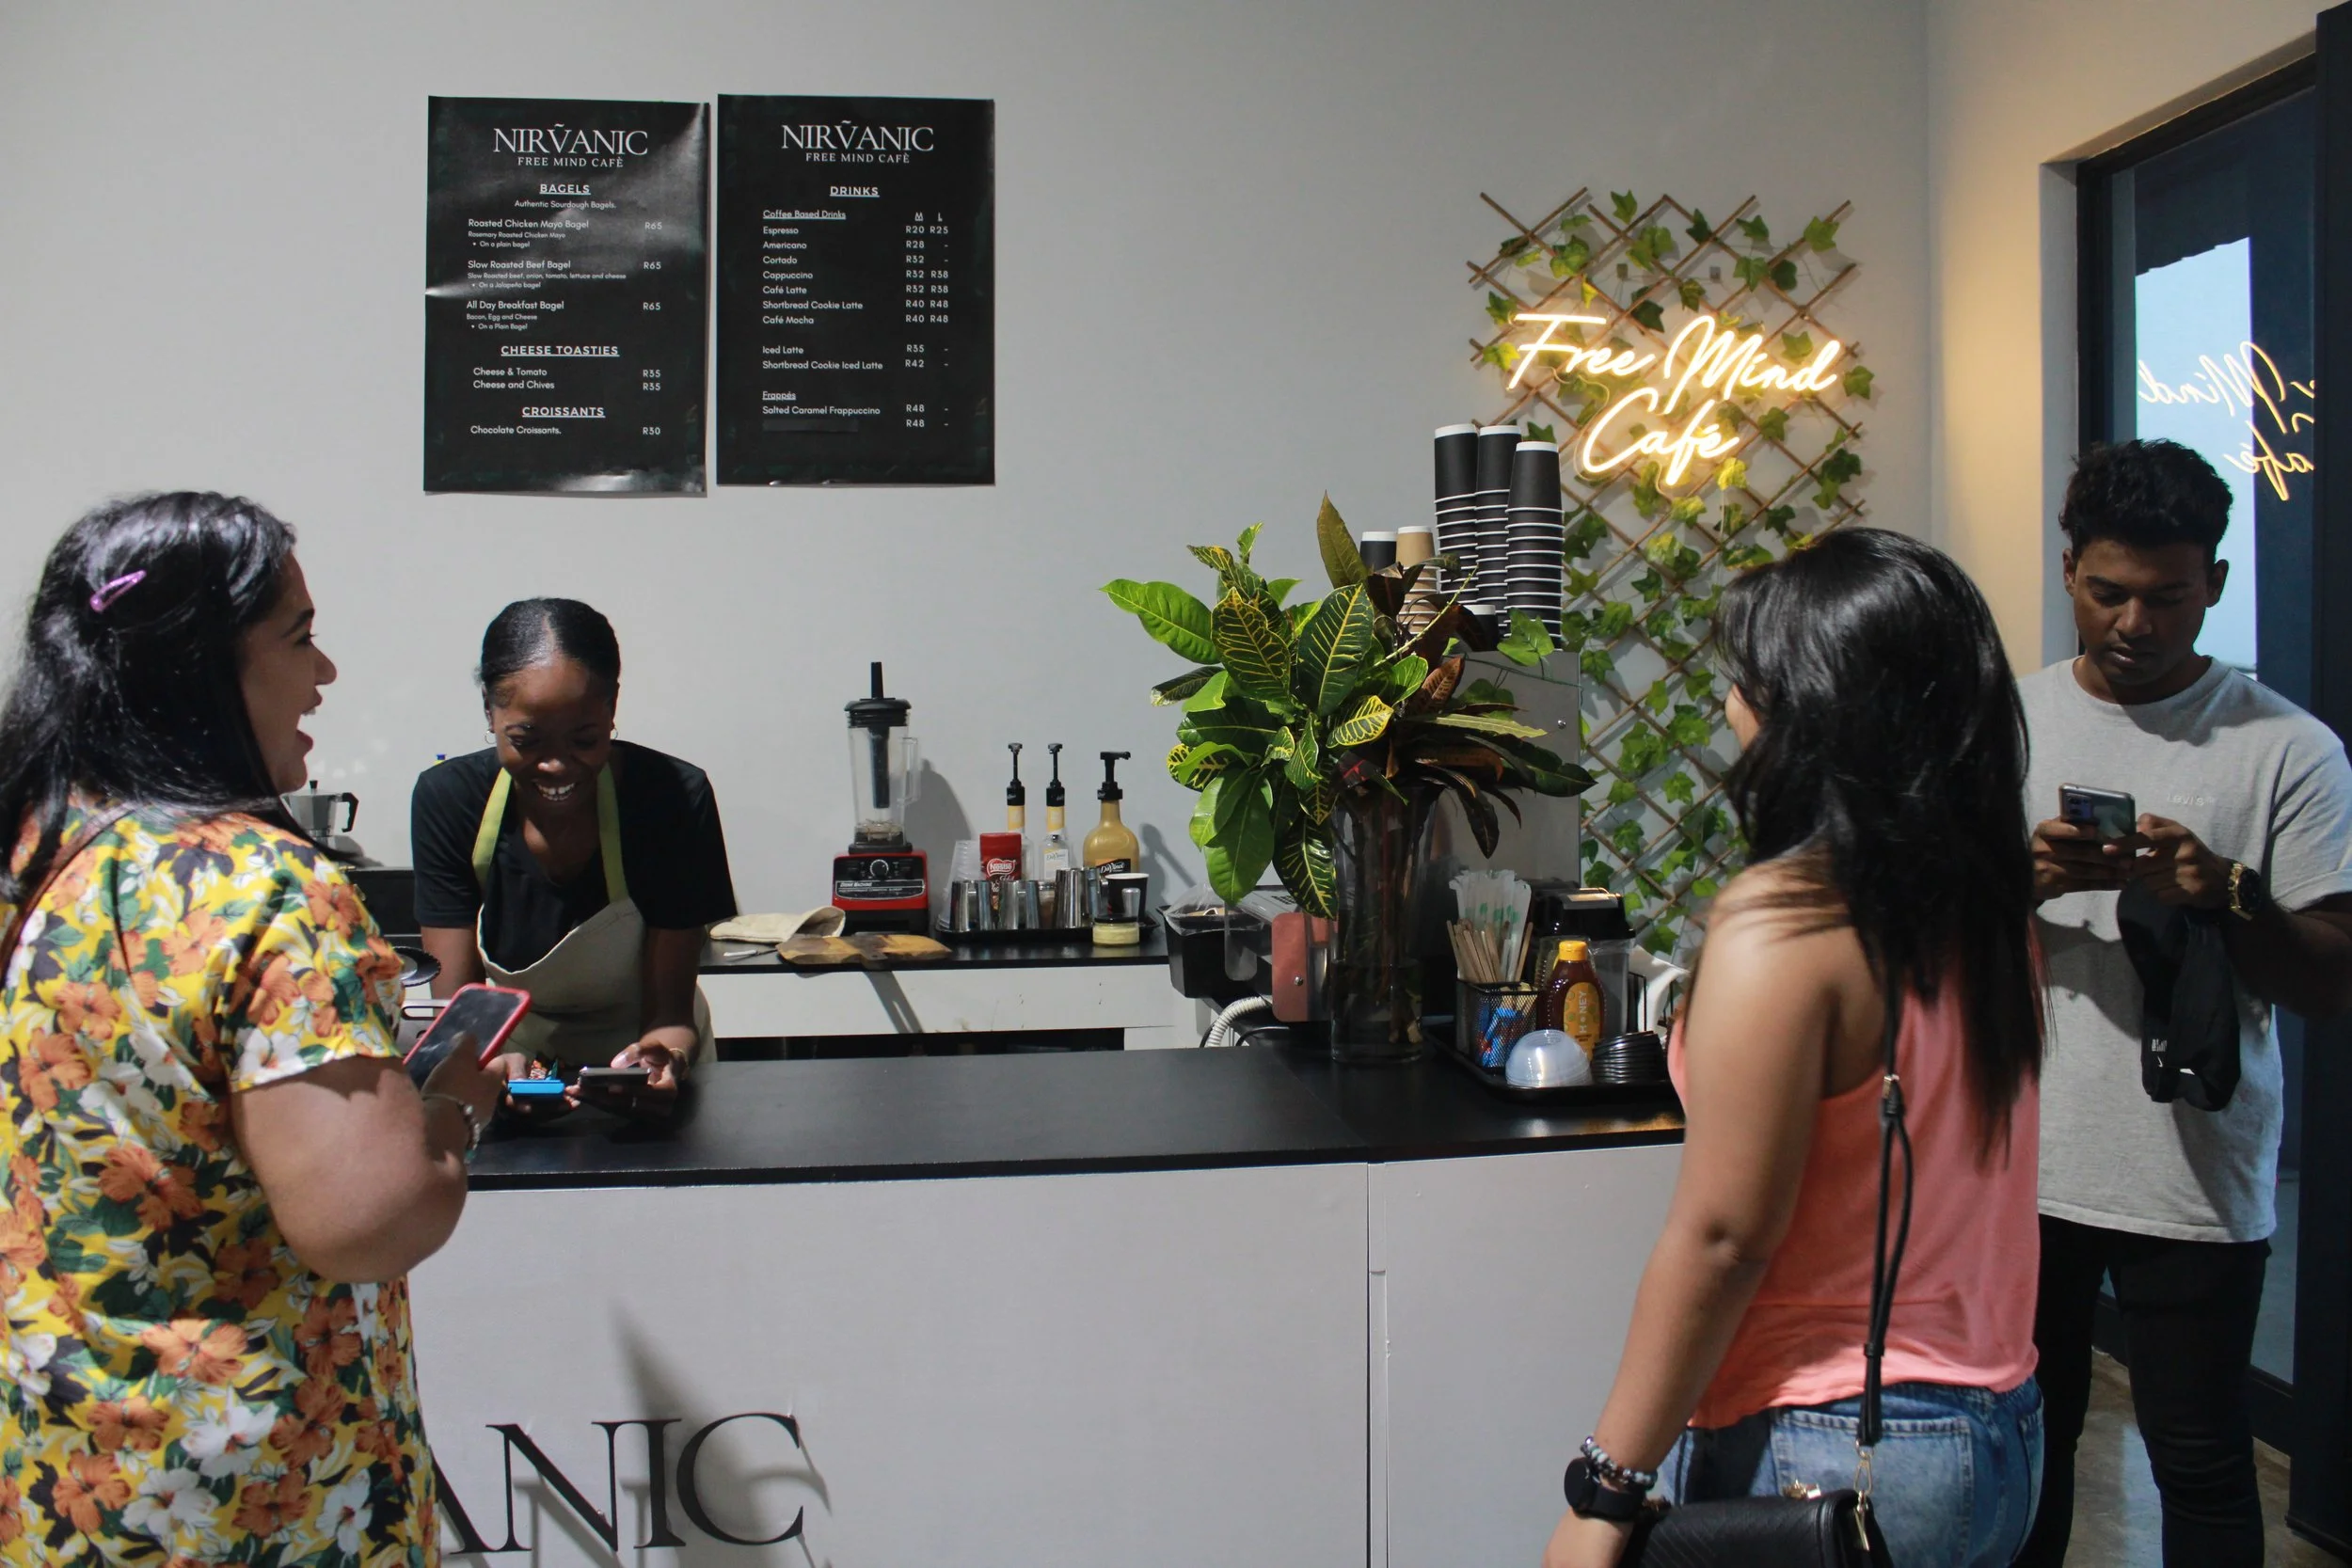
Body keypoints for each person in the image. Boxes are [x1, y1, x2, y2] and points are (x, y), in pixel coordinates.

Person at [0, 491, 506, 1564]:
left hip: (61, 1473)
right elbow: (364, 1219)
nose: (323, 673)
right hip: (248, 1495)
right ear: (200, 662)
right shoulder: (256, 883)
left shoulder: (37, 854)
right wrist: (453, 1109)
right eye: (300, 636)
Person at [1541, 529, 2045, 1568]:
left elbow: (1726, 1234)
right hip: (1992, 1429)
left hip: (1832, 1438)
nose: (1730, 704)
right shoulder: (1983, 906)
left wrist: (1605, 1483)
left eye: (1744, 678)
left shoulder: (1788, 921)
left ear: (1805, 703)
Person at [2015, 440, 2352, 1567]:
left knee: (2201, 1458)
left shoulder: (2289, 749)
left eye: (2167, 596)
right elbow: (1922, 936)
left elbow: (2329, 977)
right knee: (2026, 1448)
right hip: (2019, 1160)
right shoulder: (2004, 722)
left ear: (2211, 579)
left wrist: (2231, 892)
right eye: (2108, 591)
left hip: (2194, 1163)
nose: (2134, 622)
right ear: (2069, 570)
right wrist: (2027, 880)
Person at [410, 599, 736, 1102]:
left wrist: (659, 1062)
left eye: (584, 738)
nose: (556, 765)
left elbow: (670, 1016)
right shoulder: (449, 800)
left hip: (644, 1060)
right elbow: (459, 1011)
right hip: (510, 1059)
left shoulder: (671, 796)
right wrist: (491, 1062)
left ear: (611, 709)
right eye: (526, 739)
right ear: (489, 711)